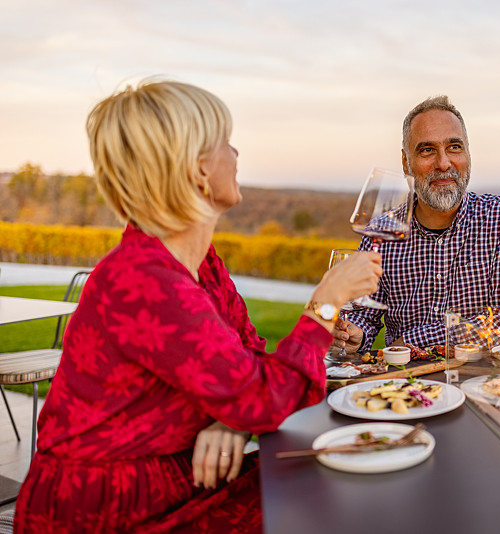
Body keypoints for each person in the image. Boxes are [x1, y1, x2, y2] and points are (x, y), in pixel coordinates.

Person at [14, 79, 381, 533]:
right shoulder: (141, 280)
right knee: (342, 495)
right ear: (197, 170)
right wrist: (326, 302)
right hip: (111, 509)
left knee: (344, 479)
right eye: (225, 142)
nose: (237, 153)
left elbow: (247, 363)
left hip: (175, 480)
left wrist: (229, 418)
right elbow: (265, 396)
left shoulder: (200, 265)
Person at [334, 95, 500, 354]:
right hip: (401, 388)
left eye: (454, 147)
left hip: (481, 384)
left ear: (468, 153)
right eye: (427, 150)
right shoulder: (381, 231)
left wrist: (411, 341)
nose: (443, 163)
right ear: (406, 162)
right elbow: (364, 314)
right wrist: (354, 334)